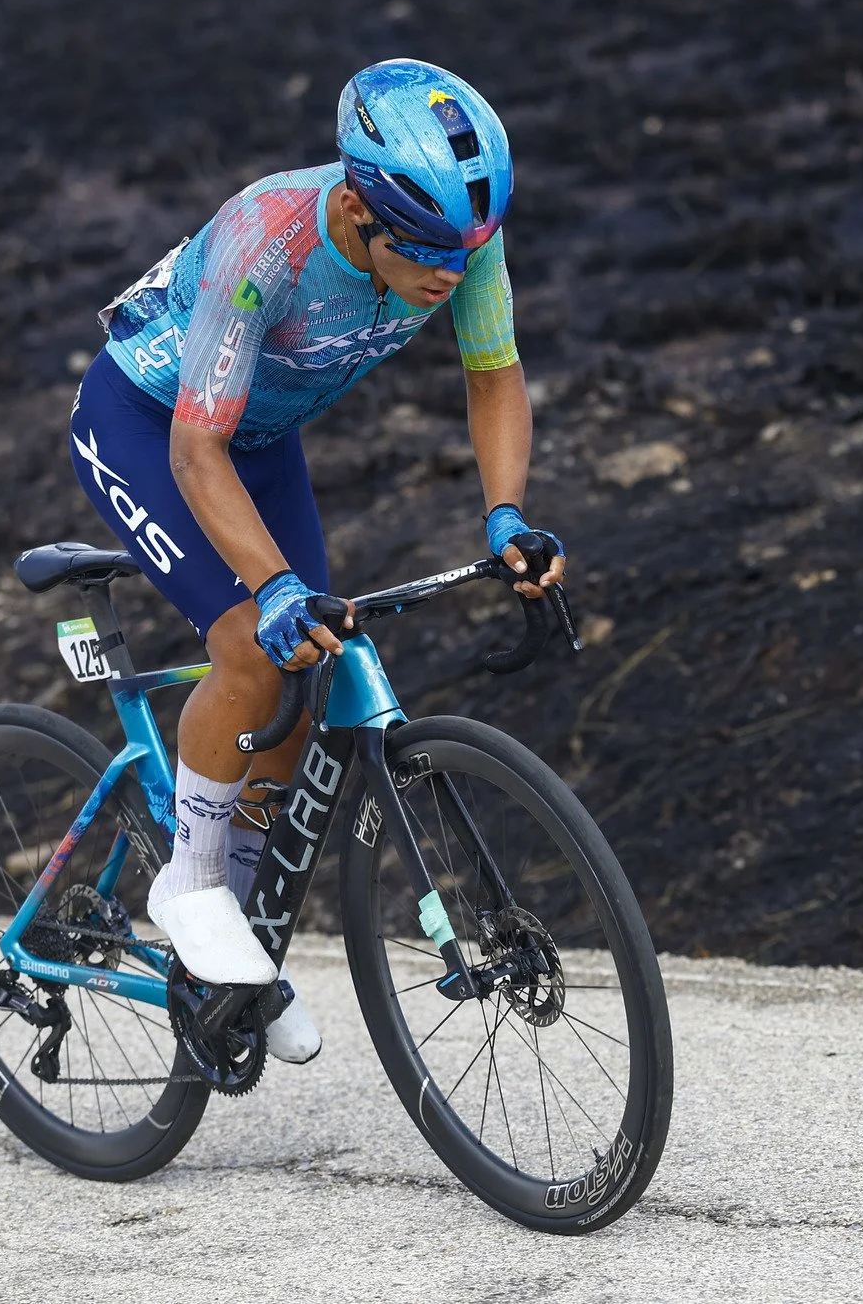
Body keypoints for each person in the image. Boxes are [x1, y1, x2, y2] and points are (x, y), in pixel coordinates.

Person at [68, 59, 564, 1064]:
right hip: (149, 423)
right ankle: (190, 889)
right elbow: (192, 450)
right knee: (255, 641)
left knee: (312, 658)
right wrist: (275, 586)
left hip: (253, 436)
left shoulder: (461, 239)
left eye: (464, 251)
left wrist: (505, 514)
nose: (447, 273)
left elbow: (494, 373)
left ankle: (232, 949)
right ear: (355, 206)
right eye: (424, 250)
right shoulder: (271, 242)